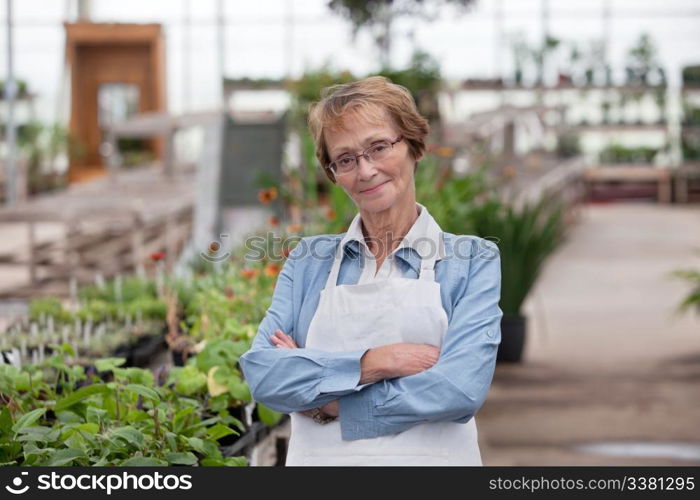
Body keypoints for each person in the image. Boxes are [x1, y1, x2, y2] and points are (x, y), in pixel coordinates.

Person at [239, 76, 502, 466]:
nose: (365, 171)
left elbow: (458, 389)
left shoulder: (470, 261)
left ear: (413, 145)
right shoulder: (309, 261)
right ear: (333, 172)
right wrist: (375, 362)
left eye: (378, 147)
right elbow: (265, 376)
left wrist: (329, 405)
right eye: (345, 159)